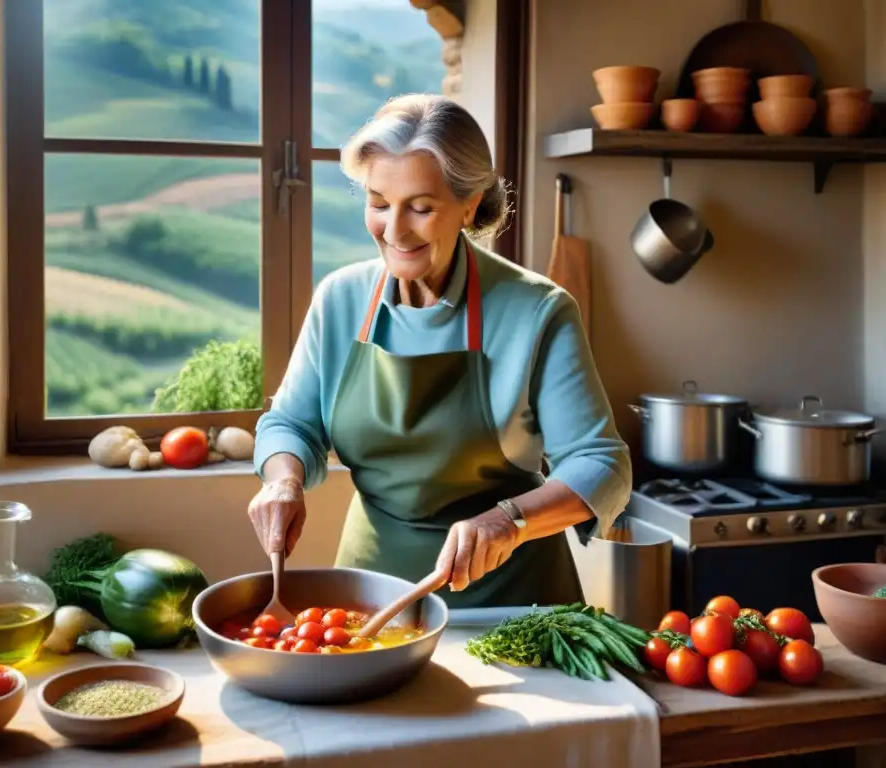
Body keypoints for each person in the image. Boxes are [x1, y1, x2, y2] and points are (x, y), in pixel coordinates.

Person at [247, 93, 631, 608]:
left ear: (469, 204)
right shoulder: (340, 299)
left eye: (421, 208)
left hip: (512, 607)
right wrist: (284, 481)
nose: (395, 230)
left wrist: (508, 521)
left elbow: (601, 465)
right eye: (379, 203)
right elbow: (290, 424)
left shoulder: (537, 311)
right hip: (368, 604)